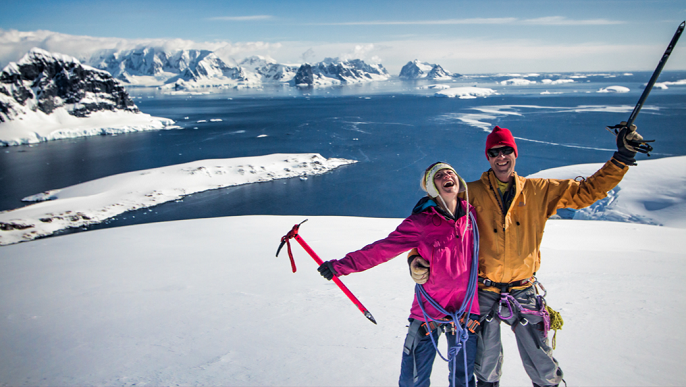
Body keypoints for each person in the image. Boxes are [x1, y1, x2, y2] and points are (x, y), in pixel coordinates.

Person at [408, 124, 642, 387]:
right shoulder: (469, 194)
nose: (501, 157)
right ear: (488, 157)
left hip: (523, 288)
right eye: (494, 152)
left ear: (515, 153)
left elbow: (586, 192)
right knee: (485, 366)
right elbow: (434, 226)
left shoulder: (539, 191)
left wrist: (622, 159)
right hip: (484, 290)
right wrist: (416, 257)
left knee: (543, 366)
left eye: (506, 150)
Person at [318, 162, 480, 387]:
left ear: (458, 180)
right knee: (411, 381)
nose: (446, 176)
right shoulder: (421, 222)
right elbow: (382, 249)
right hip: (428, 313)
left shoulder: (474, 215)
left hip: (465, 313)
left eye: (450, 172)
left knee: (463, 381)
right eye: (439, 176)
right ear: (433, 188)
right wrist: (341, 266)